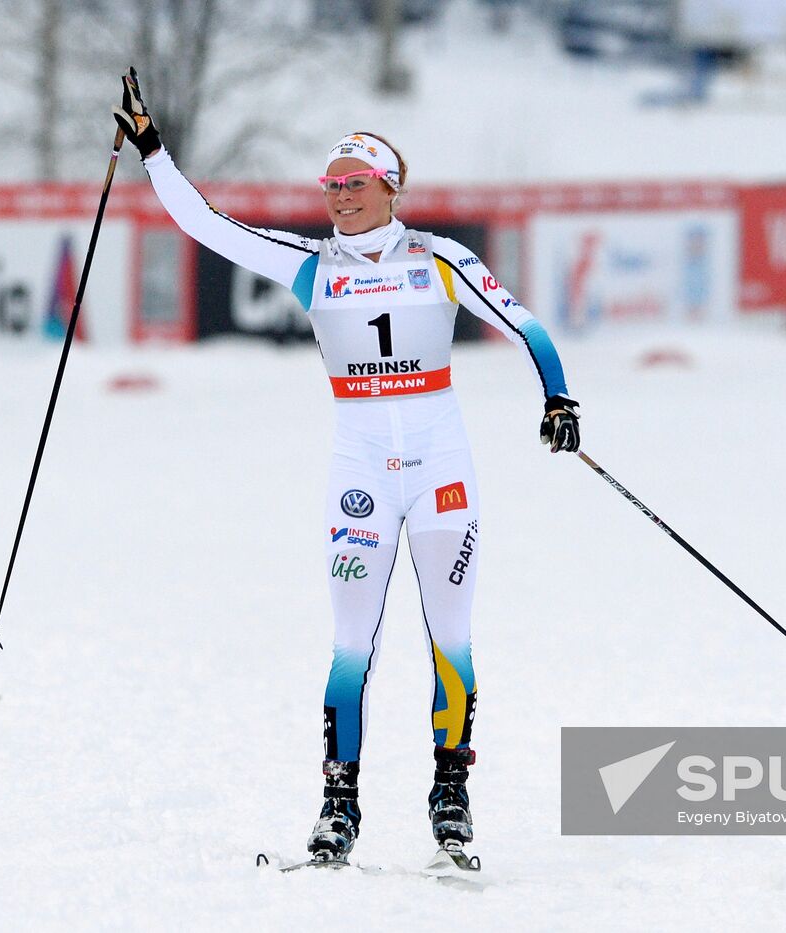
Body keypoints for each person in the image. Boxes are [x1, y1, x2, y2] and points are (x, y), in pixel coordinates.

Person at [112, 70, 581, 864]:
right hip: (360, 469)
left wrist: (558, 398)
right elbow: (206, 224)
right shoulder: (311, 262)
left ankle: (451, 794)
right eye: (330, 185)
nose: (339, 197)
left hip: (442, 470)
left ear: (390, 189)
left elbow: (525, 323)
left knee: (452, 637)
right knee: (350, 641)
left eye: (354, 184)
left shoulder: (441, 258)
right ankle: (338, 804)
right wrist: (154, 150)